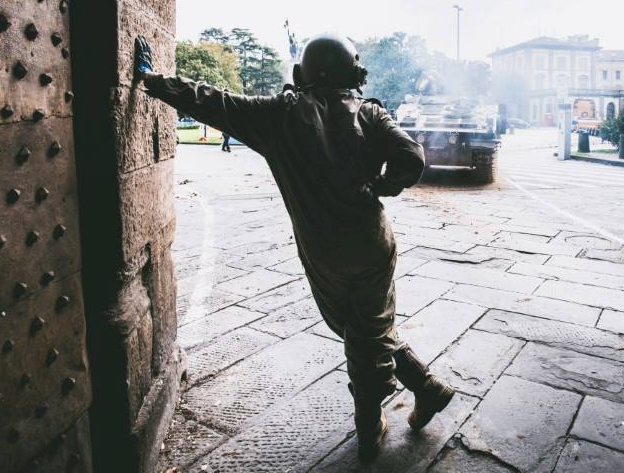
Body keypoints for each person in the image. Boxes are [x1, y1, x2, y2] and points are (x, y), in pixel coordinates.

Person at [134, 34, 454, 460]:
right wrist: (380, 186)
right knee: (367, 330)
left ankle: (369, 426)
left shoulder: (276, 115)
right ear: (352, 74)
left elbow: (211, 100)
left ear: (301, 73)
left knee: (359, 331)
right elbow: (411, 158)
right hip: (371, 244)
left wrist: (153, 79)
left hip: (322, 251)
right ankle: (424, 389)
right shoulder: (371, 114)